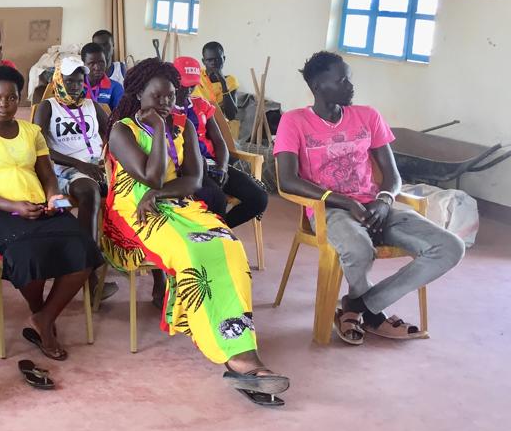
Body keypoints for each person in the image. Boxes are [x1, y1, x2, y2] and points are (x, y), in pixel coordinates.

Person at [101, 58, 289, 406]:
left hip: (174, 202)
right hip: (134, 209)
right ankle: (236, 357)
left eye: (171, 97)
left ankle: (243, 350)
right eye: (158, 96)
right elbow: (152, 177)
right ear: (139, 93)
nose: (165, 104)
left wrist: (161, 192)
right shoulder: (122, 130)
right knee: (193, 253)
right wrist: (158, 132)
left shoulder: (183, 123)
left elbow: (194, 179)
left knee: (229, 246)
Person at [275, 51, 465, 345]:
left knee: (450, 247)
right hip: (330, 210)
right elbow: (286, 179)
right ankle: (375, 317)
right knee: (359, 249)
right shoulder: (294, 121)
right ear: (317, 87)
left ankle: (359, 307)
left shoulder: (368, 116)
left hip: (377, 206)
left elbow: (393, 175)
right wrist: (345, 202)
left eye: (349, 78)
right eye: (342, 79)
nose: (350, 85)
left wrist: (385, 199)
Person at [0, 65, 101, 361]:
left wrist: (53, 197)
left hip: (39, 207)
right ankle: (43, 318)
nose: (4, 104)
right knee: (26, 254)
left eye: (11, 98)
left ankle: (43, 318)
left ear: (19, 98)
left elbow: (48, 175)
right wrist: (14, 206)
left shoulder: (32, 132)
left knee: (84, 247)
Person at [31, 56, 115, 302]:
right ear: (59, 80)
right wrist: (79, 164)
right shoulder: (47, 107)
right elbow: (41, 148)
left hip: (96, 165)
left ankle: (122, 252)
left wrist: (105, 159)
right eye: (69, 81)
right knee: (89, 192)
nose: (75, 86)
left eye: (79, 81)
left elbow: (112, 134)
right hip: (64, 167)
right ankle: (88, 271)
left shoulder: (92, 106)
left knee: (133, 189)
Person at [172, 55, 267, 229]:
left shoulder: (201, 105)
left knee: (258, 197)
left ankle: (222, 230)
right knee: (216, 198)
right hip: (188, 169)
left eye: (192, 85)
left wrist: (222, 167)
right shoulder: (165, 108)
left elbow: (219, 141)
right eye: (184, 85)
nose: (188, 90)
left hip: (213, 166)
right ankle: (218, 237)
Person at [193, 41, 239, 121]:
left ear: (223, 59)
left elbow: (231, 116)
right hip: (197, 122)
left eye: (217, 59)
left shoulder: (230, 81)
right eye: (209, 60)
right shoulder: (197, 75)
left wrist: (223, 83)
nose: (213, 63)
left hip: (219, 125)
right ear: (203, 61)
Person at [80, 42, 124, 110]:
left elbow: (120, 115)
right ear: (83, 64)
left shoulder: (115, 88)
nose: (97, 68)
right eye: (92, 63)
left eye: (101, 62)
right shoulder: (76, 86)